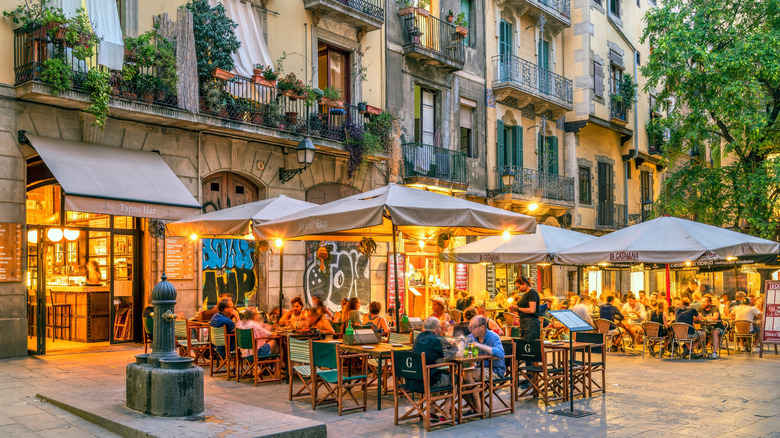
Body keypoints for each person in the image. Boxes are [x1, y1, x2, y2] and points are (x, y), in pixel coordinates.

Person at [411, 317, 456, 422]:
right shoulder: (438, 338)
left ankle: (431, 411)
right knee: (456, 378)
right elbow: (454, 351)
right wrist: (452, 347)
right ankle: (446, 412)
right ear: (437, 328)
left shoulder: (418, 337)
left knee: (438, 371)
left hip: (413, 380)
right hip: (429, 382)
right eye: (440, 326)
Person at [462, 316, 505, 414]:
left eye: (473, 327)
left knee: (468, 374)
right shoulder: (471, 337)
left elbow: (501, 353)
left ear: (482, 327)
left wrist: (480, 346)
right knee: (458, 377)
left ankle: (478, 409)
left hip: (494, 370)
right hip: (478, 368)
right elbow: (465, 354)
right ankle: (474, 407)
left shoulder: (493, 336)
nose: (471, 330)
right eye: (470, 327)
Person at [514, 276, 540, 341]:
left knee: (528, 346)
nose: (518, 289)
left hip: (531, 324)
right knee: (523, 345)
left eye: (519, 287)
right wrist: (515, 309)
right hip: (524, 323)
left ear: (525, 284)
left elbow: (532, 310)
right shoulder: (525, 294)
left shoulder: (532, 293)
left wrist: (518, 308)